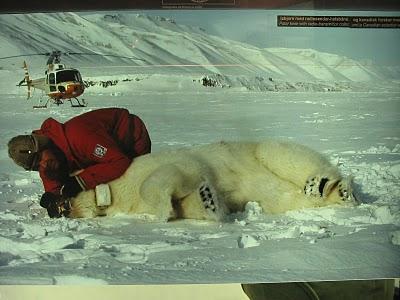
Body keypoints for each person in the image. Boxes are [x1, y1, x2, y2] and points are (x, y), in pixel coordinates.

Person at [8, 108, 151, 218]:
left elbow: (120, 162)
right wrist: (53, 197)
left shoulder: (79, 136)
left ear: (44, 144)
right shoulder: (49, 159)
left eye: (39, 160)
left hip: (131, 140)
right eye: (36, 167)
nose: (42, 166)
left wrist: (80, 181)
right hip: (98, 156)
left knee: (126, 191)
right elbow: (53, 183)